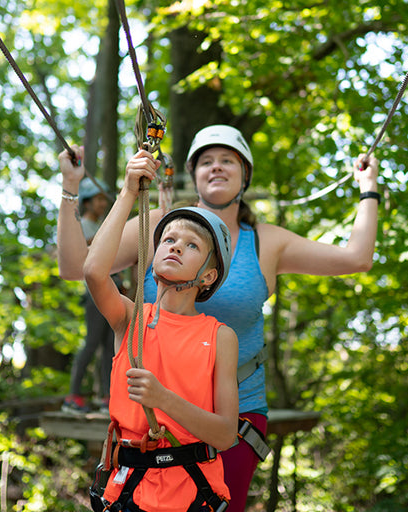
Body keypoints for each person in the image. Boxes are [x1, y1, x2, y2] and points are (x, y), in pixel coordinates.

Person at [58, 125, 379, 511]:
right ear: (193, 174)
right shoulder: (162, 225)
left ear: (245, 174)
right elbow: (81, 267)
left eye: (228, 160)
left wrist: (368, 189)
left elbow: (356, 258)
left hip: (235, 412)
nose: (217, 167)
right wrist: (70, 189)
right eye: (206, 161)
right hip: (150, 417)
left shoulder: (266, 240)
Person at [84, 149, 239, 511]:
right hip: (127, 491)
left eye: (191, 245)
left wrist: (163, 399)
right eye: (168, 240)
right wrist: (127, 193)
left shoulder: (220, 337)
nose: (175, 248)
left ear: (209, 276)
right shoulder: (130, 318)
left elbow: (225, 434)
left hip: (190, 494)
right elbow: (93, 271)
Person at [63, 176, 116, 414]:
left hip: (111, 290)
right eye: (98, 199)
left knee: (108, 347)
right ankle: (73, 395)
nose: (102, 204)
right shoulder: (83, 226)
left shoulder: (100, 226)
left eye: (105, 199)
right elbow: (79, 254)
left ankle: (107, 396)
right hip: (95, 295)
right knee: (92, 343)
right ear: (86, 202)